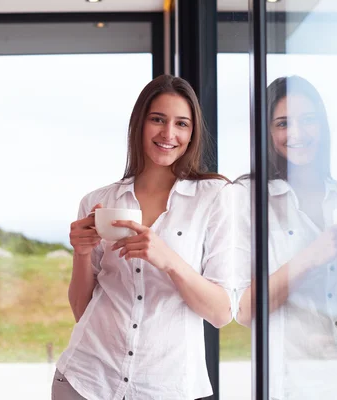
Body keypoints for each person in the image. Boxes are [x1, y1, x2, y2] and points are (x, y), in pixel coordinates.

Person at [52, 74, 234, 400]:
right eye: (158, 120)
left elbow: (220, 313)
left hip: (168, 387)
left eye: (182, 124)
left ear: (192, 134)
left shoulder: (215, 197)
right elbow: (82, 310)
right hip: (86, 381)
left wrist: (169, 260)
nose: (168, 133)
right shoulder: (99, 201)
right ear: (140, 124)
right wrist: (82, 252)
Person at [234, 76, 337, 399]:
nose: (297, 133)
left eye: (308, 120)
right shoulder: (247, 199)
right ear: (267, 132)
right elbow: (244, 311)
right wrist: (312, 256)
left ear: (323, 127)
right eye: (283, 123)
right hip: (299, 382)